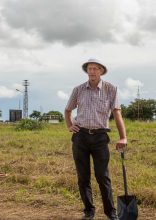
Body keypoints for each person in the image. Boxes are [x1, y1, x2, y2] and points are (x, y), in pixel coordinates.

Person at [64, 58, 127, 220]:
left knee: (102, 176)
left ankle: (110, 213)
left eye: (95, 69)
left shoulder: (111, 89)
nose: (92, 71)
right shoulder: (78, 90)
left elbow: (117, 113)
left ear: (101, 71)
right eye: (89, 69)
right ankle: (89, 211)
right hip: (80, 137)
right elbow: (67, 110)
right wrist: (70, 126)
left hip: (100, 137)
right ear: (87, 71)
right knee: (83, 177)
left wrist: (123, 137)